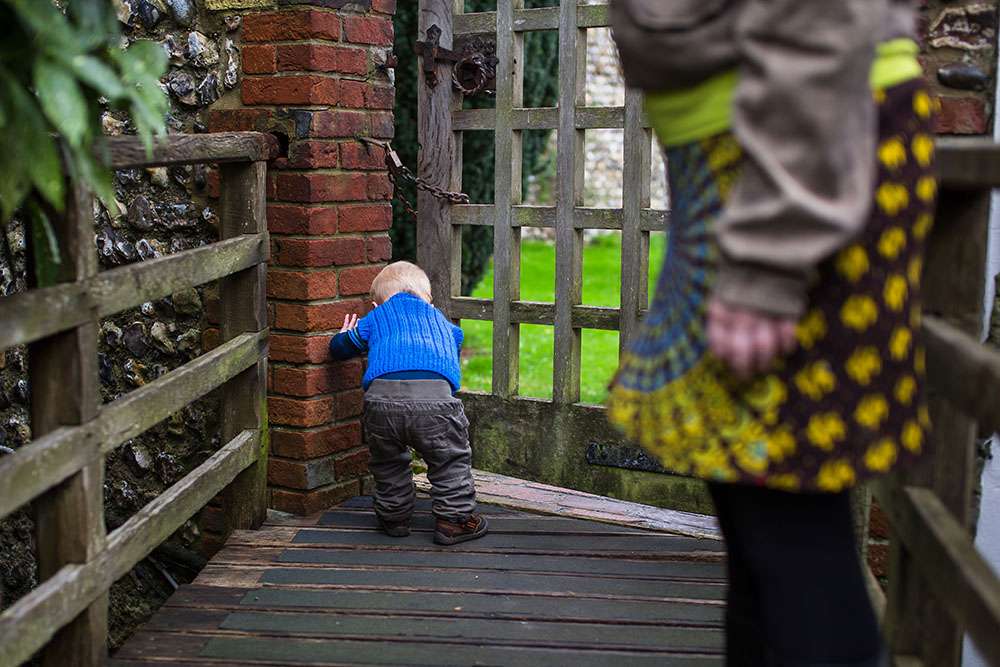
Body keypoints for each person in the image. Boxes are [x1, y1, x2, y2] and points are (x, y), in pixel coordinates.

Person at [607, 1, 934, 664]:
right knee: (764, 540)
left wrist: (769, 251)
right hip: (758, 155)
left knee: (789, 541)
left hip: (791, 155)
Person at [329, 261, 488, 545]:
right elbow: (456, 343)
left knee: (388, 460)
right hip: (436, 404)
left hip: (381, 404)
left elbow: (340, 349)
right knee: (449, 460)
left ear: (375, 304)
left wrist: (343, 336)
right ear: (428, 299)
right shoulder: (442, 321)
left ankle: (395, 517)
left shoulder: (377, 318)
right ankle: (453, 522)